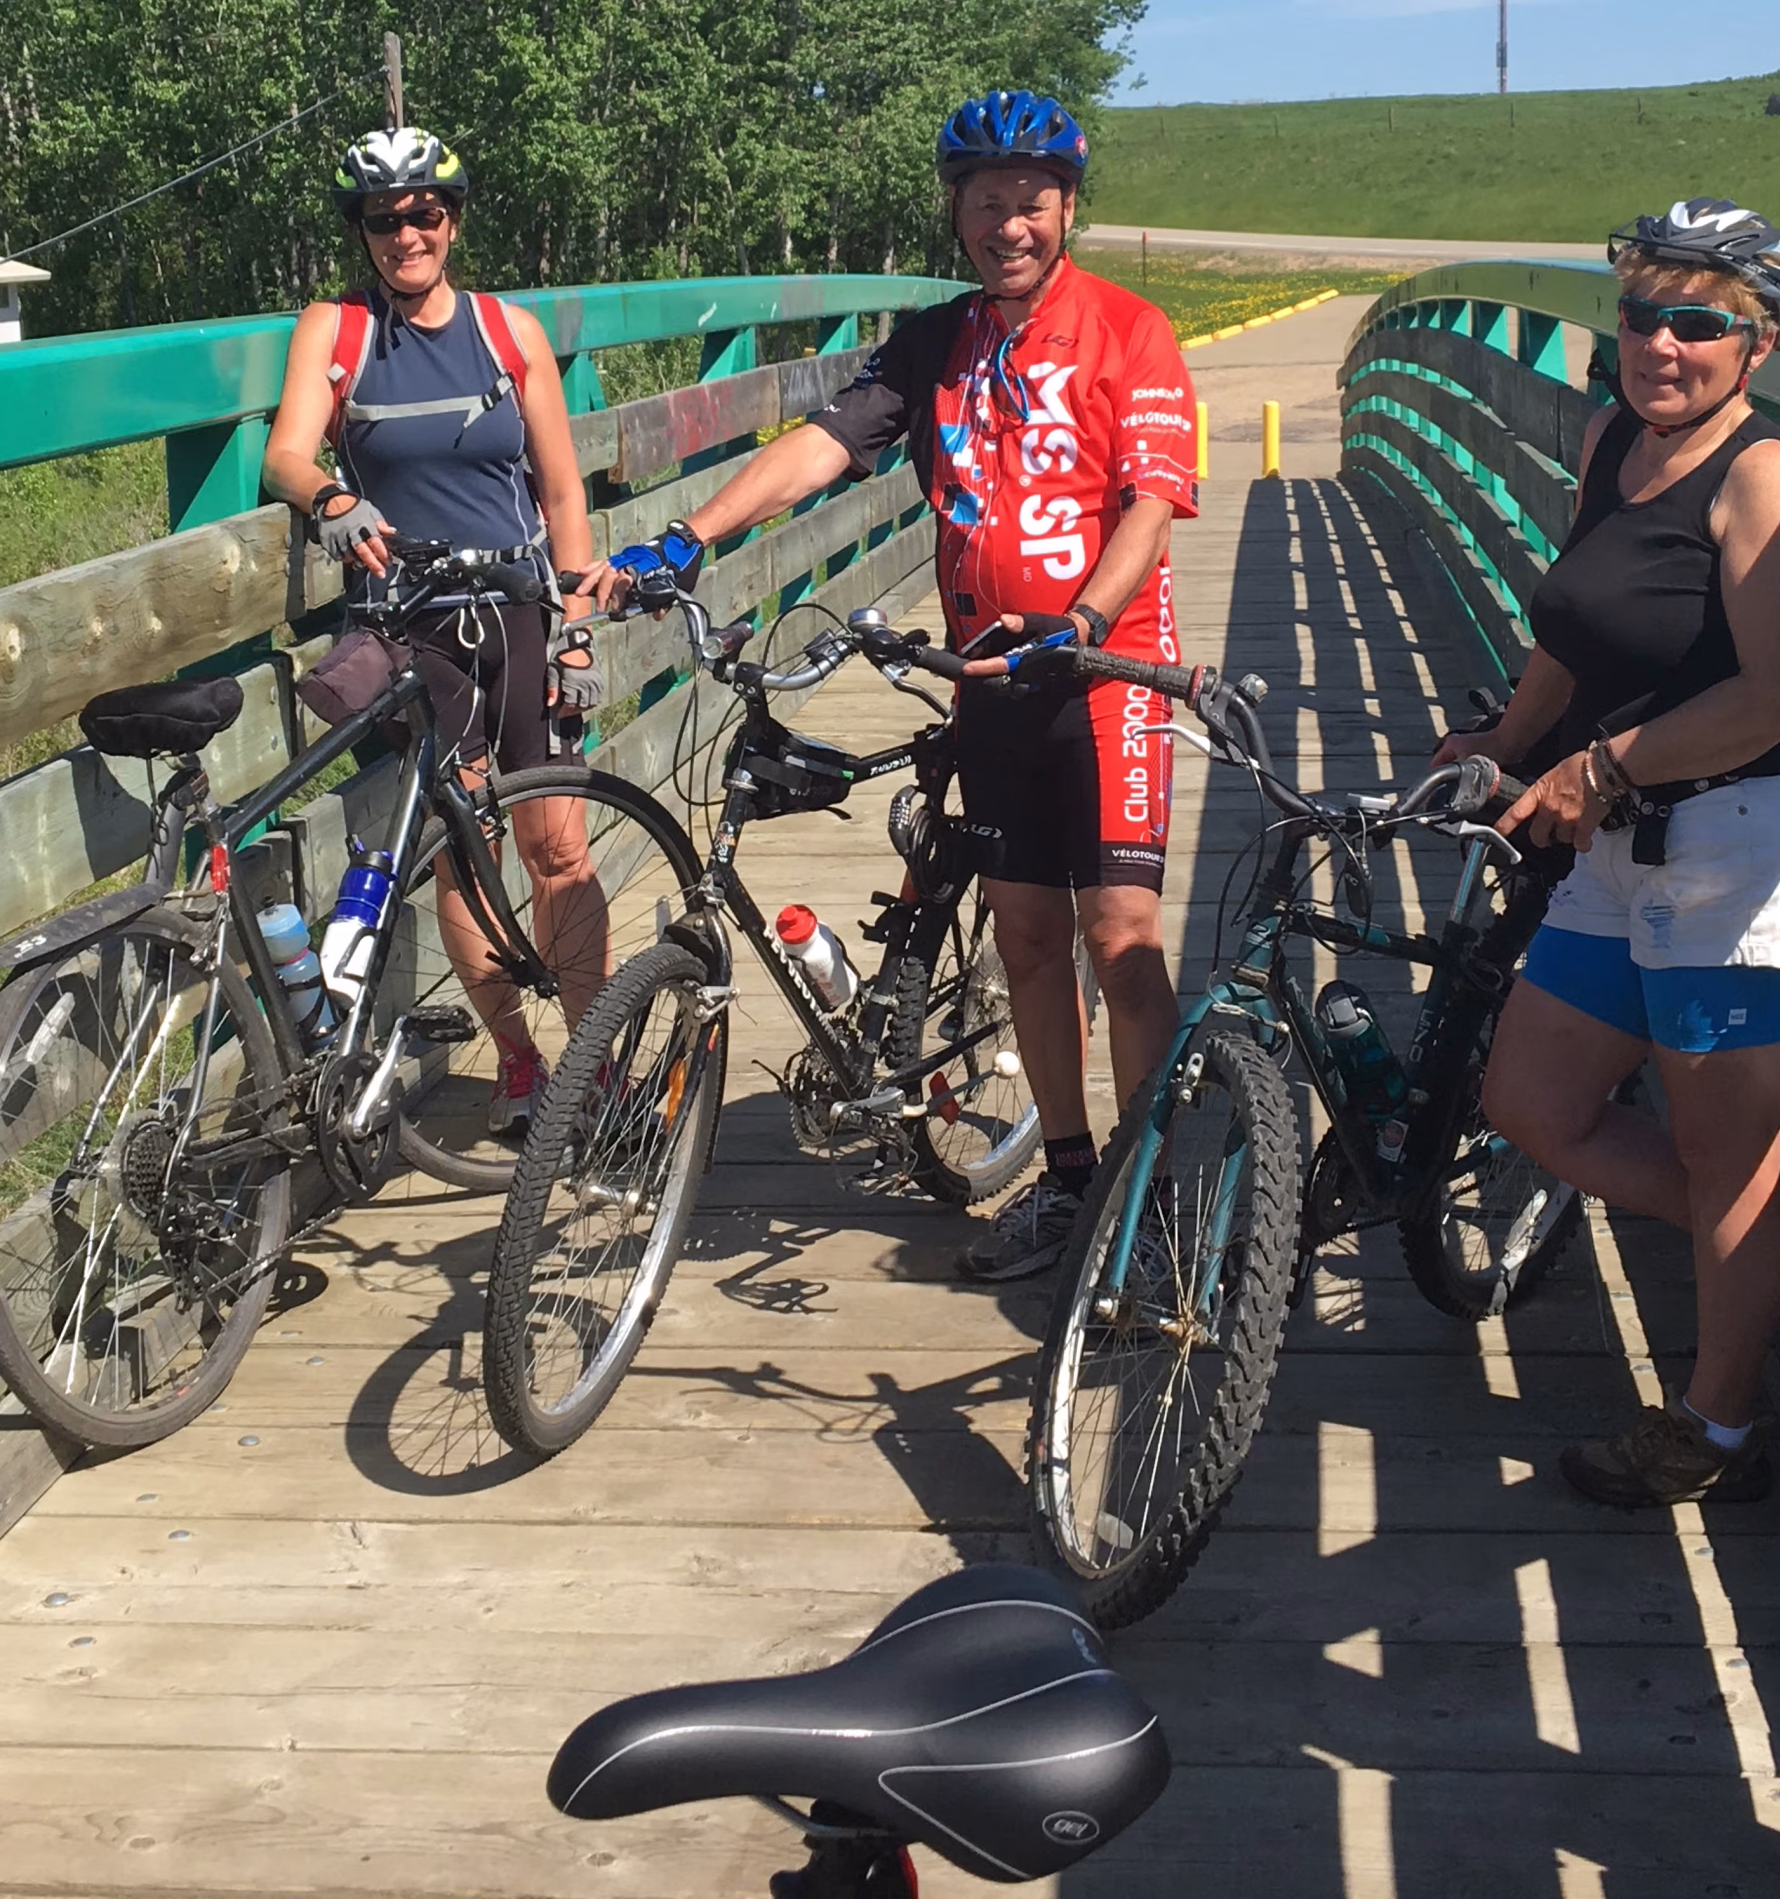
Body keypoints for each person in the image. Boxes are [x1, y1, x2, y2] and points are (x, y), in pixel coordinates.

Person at [605, 91, 1200, 1279]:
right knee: (1028, 935)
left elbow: (1151, 503)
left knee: (1120, 932)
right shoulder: (937, 343)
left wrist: (1082, 619)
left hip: (1104, 672)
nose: (1009, 224)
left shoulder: (1132, 330)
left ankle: (1156, 1196)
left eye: (1031, 201)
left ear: (1068, 207)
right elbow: (825, 443)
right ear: (958, 212)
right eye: (985, 202)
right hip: (988, 673)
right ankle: (1072, 1181)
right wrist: (694, 532)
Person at [1438, 197, 1780, 1507]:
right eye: (1640, 314)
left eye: (1698, 323)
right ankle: (1772, 1258)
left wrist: (1594, 768)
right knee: (1531, 1104)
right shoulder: (1620, 438)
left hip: (1731, 848)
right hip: (1619, 829)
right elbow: (1572, 620)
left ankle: (1714, 1429)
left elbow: (1777, 688)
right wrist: (1511, 734)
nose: (1660, 345)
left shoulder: (1764, 477)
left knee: (1729, 1156)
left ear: (1762, 340)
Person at [264, 126, 610, 1136]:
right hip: (412, 627)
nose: (406, 234)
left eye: (425, 213)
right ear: (363, 232)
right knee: (466, 847)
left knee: (558, 843)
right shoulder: (337, 329)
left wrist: (578, 623)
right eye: (384, 219)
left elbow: (560, 489)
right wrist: (329, 498)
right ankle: (517, 1063)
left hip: (518, 610)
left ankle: (592, 1070)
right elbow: (286, 455)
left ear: (452, 220)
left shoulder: (509, 333)